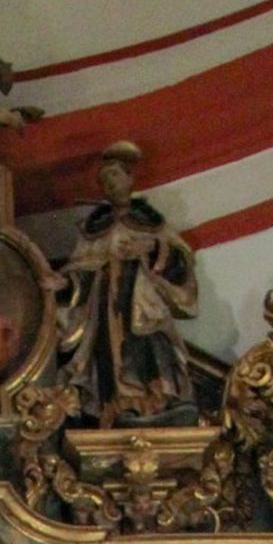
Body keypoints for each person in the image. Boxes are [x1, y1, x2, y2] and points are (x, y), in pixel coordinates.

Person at [57, 142, 197, 424]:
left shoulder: (152, 223)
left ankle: (157, 399)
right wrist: (66, 284)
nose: (110, 183)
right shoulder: (93, 229)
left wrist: (152, 248)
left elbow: (181, 260)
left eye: (116, 176)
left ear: (131, 179)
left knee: (150, 345)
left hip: (144, 299)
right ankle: (119, 404)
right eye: (105, 179)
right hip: (104, 303)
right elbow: (78, 266)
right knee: (110, 351)